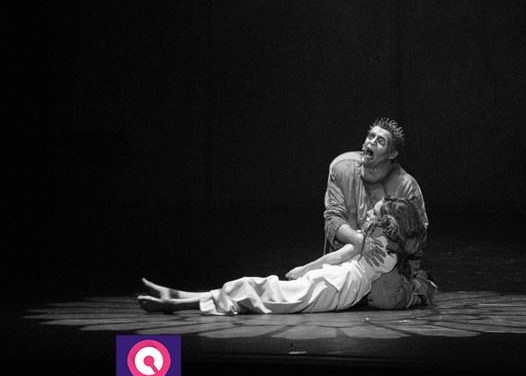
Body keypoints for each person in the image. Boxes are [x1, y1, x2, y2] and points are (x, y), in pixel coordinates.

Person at [137, 197, 426, 314]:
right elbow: (343, 257)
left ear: (387, 222)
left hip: (330, 287)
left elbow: (338, 256)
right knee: (257, 289)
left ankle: (176, 302)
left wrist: (304, 269)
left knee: (255, 291)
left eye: (375, 212)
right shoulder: (386, 250)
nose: (369, 213)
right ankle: (177, 296)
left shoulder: (370, 241)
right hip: (334, 287)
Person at [323, 117, 435, 309]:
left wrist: (388, 251)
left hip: (386, 261)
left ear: (392, 154)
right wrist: (360, 242)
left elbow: (416, 238)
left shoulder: (406, 186)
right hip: (348, 254)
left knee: (382, 298)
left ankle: (418, 287)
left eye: (380, 141)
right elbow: (333, 218)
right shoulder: (342, 168)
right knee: (324, 290)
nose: (372, 141)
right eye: (371, 136)